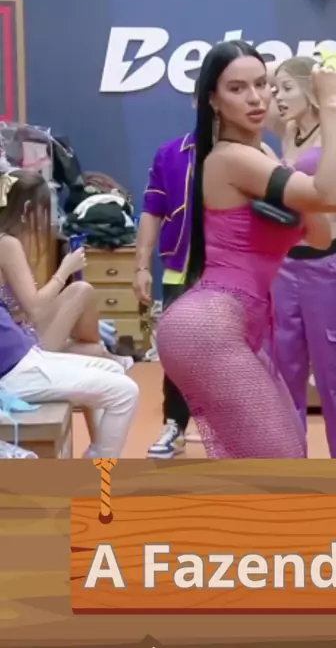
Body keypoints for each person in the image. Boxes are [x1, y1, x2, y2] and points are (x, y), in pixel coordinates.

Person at [156, 39, 336, 459]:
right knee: (280, 464)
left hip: (231, 323)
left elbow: (321, 237)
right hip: (208, 326)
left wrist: (300, 178)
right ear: (213, 100)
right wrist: (330, 106)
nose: (256, 97)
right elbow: (335, 194)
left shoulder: (261, 153)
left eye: (262, 84)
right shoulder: (230, 159)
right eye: (237, 88)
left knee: (280, 454)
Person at [266, 56, 336, 459]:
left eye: (286, 88)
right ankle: (287, 468)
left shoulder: (335, 128)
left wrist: (329, 93)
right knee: (283, 375)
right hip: (285, 266)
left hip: (328, 268)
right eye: (275, 89)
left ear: (310, 90)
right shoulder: (289, 130)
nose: (278, 97)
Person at [0, 169, 139, 457]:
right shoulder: (7, 243)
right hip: (14, 366)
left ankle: (98, 455)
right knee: (126, 392)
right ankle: (99, 466)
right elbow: (35, 308)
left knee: (112, 369)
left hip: (20, 353)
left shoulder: (8, 242)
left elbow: (25, 310)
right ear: (27, 210)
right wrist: (65, 269)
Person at [133, 132, 194, 459]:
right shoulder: (171, 153)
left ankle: (238, 431)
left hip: (234, 269)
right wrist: (142, 266)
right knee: (176, 350)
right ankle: (175, 425)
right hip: (181, 267)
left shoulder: (252, 152)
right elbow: (152, 209)